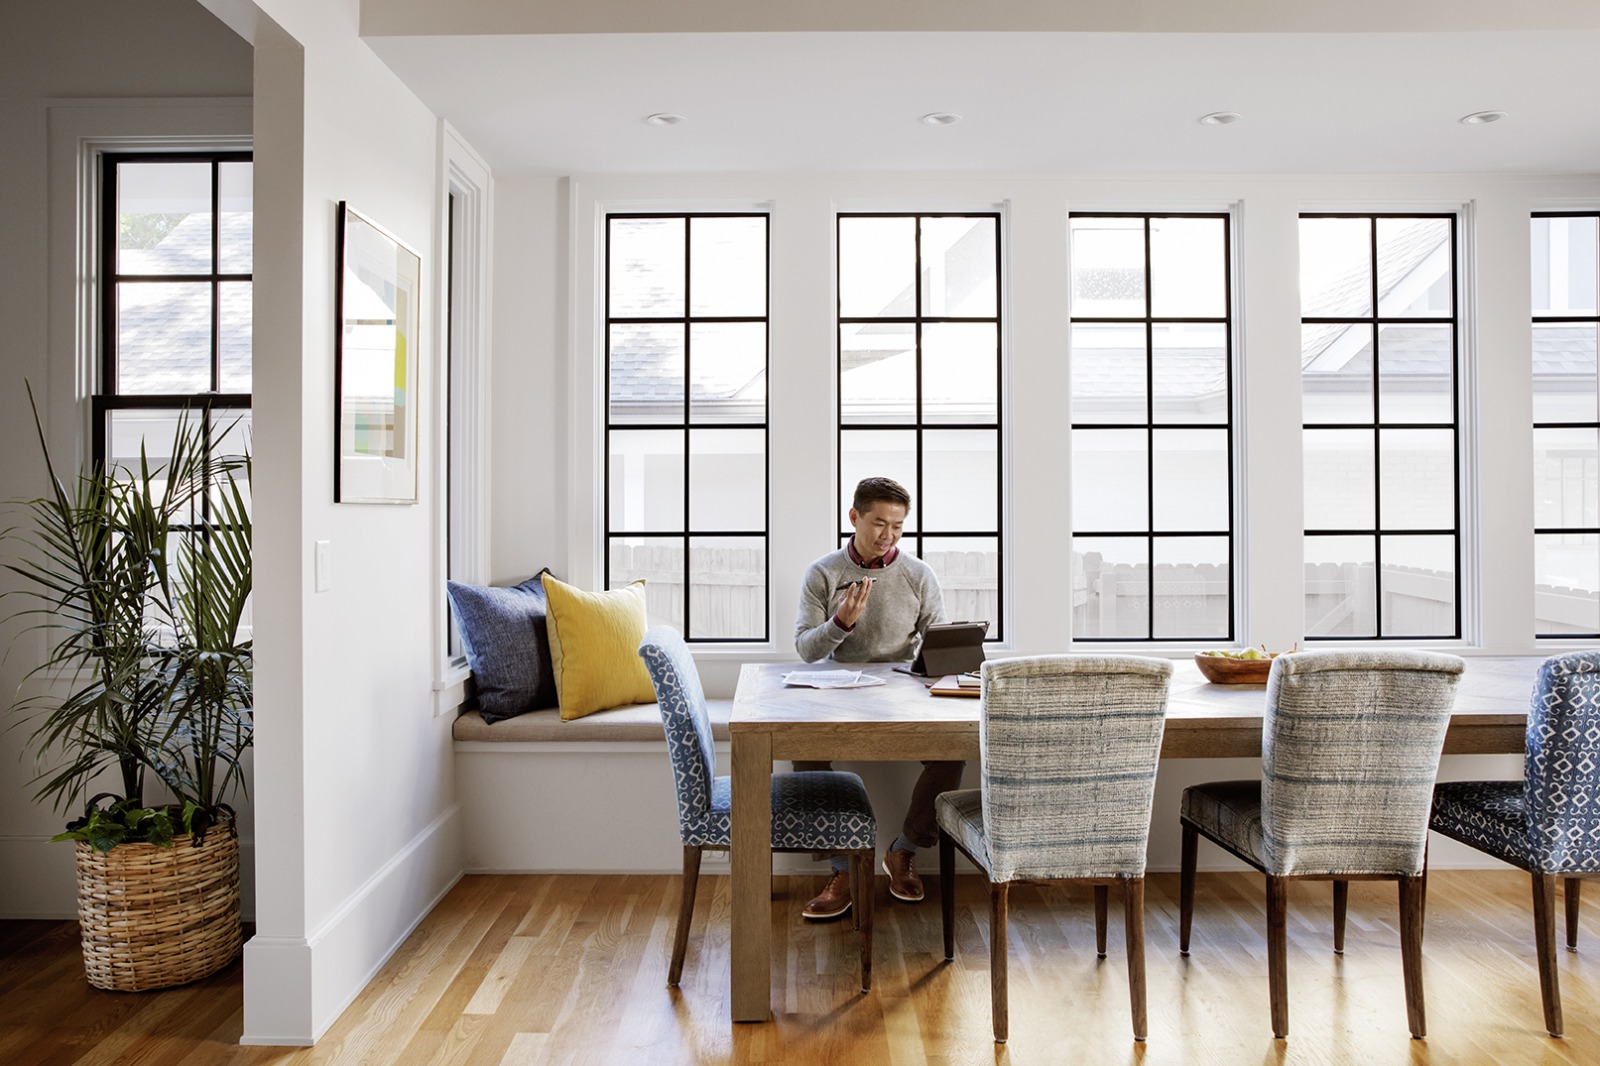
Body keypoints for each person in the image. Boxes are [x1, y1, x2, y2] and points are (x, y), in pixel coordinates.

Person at [792, 476, 964, 920]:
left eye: (898, 526)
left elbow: (937, 644)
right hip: (838, 690)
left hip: (903, 689)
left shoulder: (918, 575)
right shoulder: (823, 573)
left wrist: (949, 657)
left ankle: (904, 851)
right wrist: (841, 624)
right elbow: (807, 650)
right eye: (878, 523)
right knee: (804, 751)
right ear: (854, 518)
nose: (888, 535)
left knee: (952, 751)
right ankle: (841, 867)